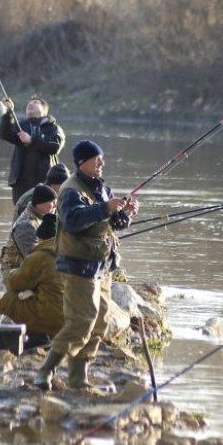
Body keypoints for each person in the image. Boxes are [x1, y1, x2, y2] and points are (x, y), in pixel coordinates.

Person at [33, 139, 139, 392]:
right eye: (96, 159)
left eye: (102, 158)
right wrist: (104, 207)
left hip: (101, 266)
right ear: (82, 162)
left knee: (101, 322)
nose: (102, 162)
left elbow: (114, 223)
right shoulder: (71, 190)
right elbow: (72, 220)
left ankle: (78, 379)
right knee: (82, 321)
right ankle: (45, 371)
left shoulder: (101, 188)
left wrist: (127, 213)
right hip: (78, 265)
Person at [0, 213, 64, 348]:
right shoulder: (72, 253)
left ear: (40, 237)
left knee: (10, 299)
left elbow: (16, 283)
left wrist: (12, 274)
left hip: (53, 316)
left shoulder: (40, 256)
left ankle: (37, 336)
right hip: (75, 315)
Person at [0, 95, 66, 205]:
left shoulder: (54, 128)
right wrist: (8, 113)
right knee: (21, 215)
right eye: (29, 103)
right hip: (21, 183)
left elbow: (54, 147)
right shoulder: (21, 125)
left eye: (35, 102)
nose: (31, 104)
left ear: (44, 110)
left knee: (45, 215)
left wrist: (32, 140)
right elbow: (5, 134)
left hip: (45, 182)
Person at [0, 183, 57, 280]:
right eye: (52, 201)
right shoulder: (26, 225)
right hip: (13, 271)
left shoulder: (42, 218)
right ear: (40, 203)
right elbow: (32, 257)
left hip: (26, 267)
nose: (55, 205)